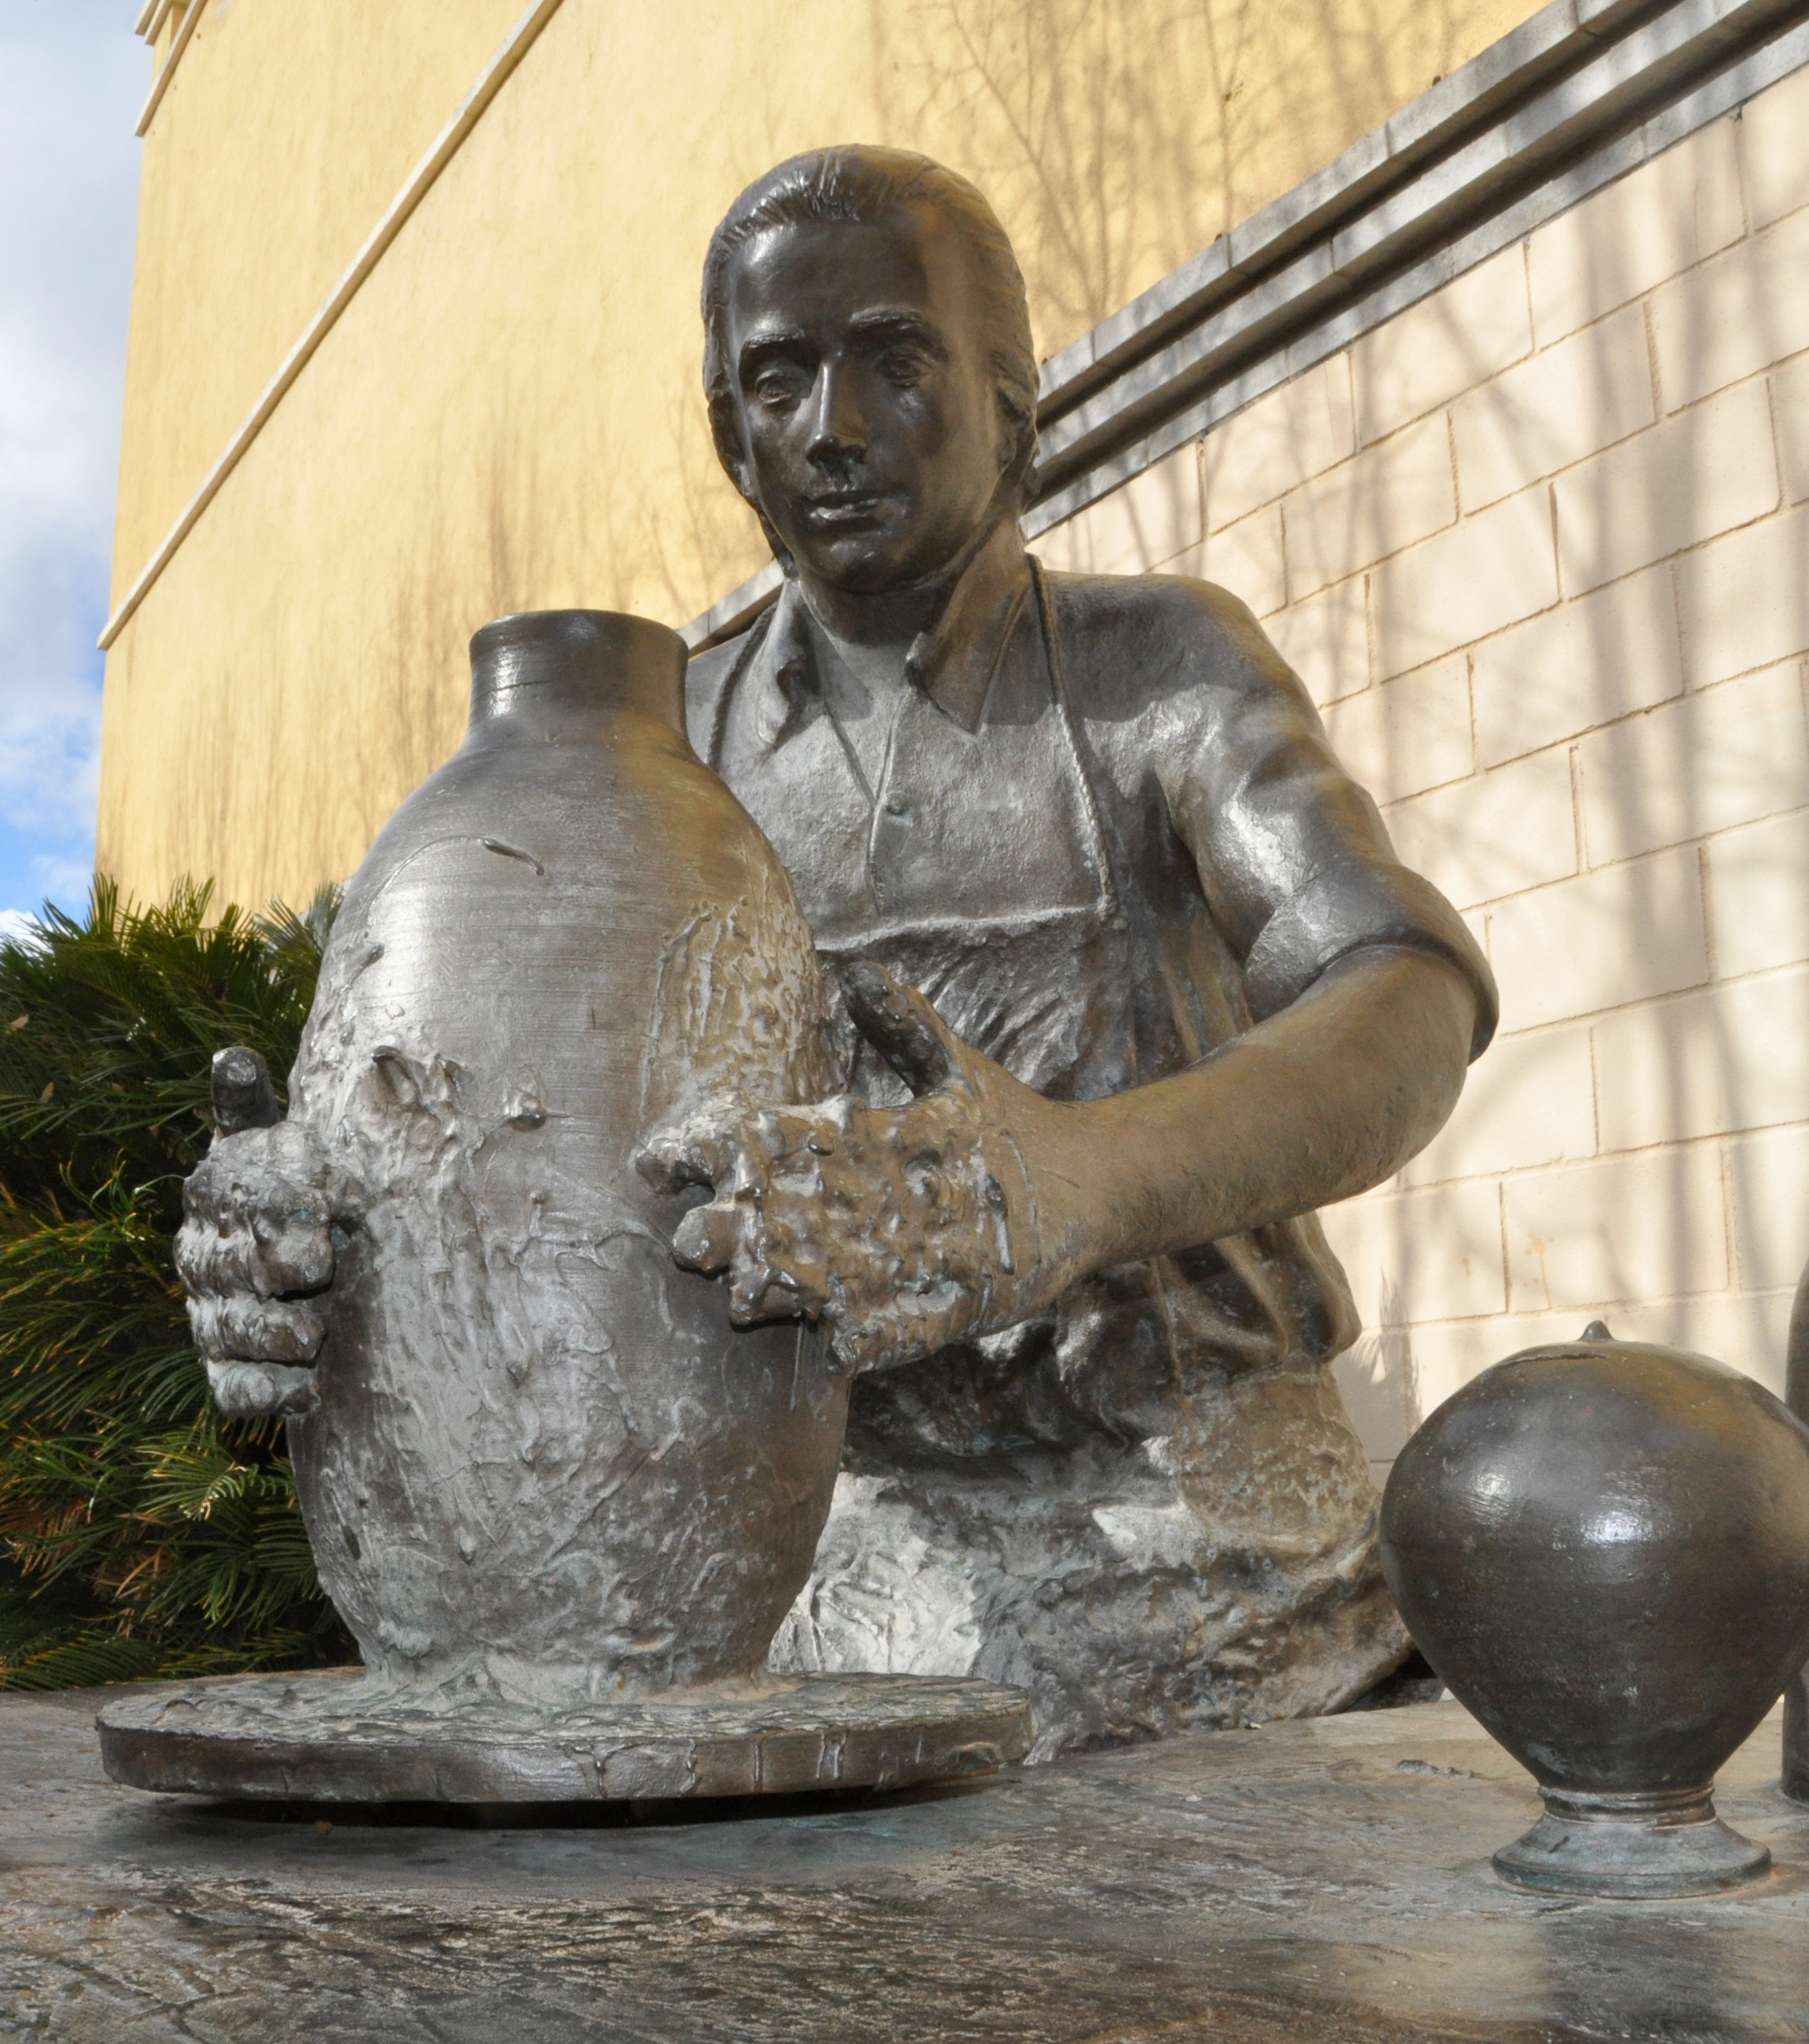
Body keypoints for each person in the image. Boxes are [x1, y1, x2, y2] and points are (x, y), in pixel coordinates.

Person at [640, 146, 1497, 1753]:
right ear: (726, 436)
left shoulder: (1156, 664)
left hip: (1225, 1581)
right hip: (823, 1603)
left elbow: (1399, 993)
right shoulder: (663, 749)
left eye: (893, 360)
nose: (828, 426)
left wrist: (1076, 1179)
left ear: (1013, 404)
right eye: (776, 377)